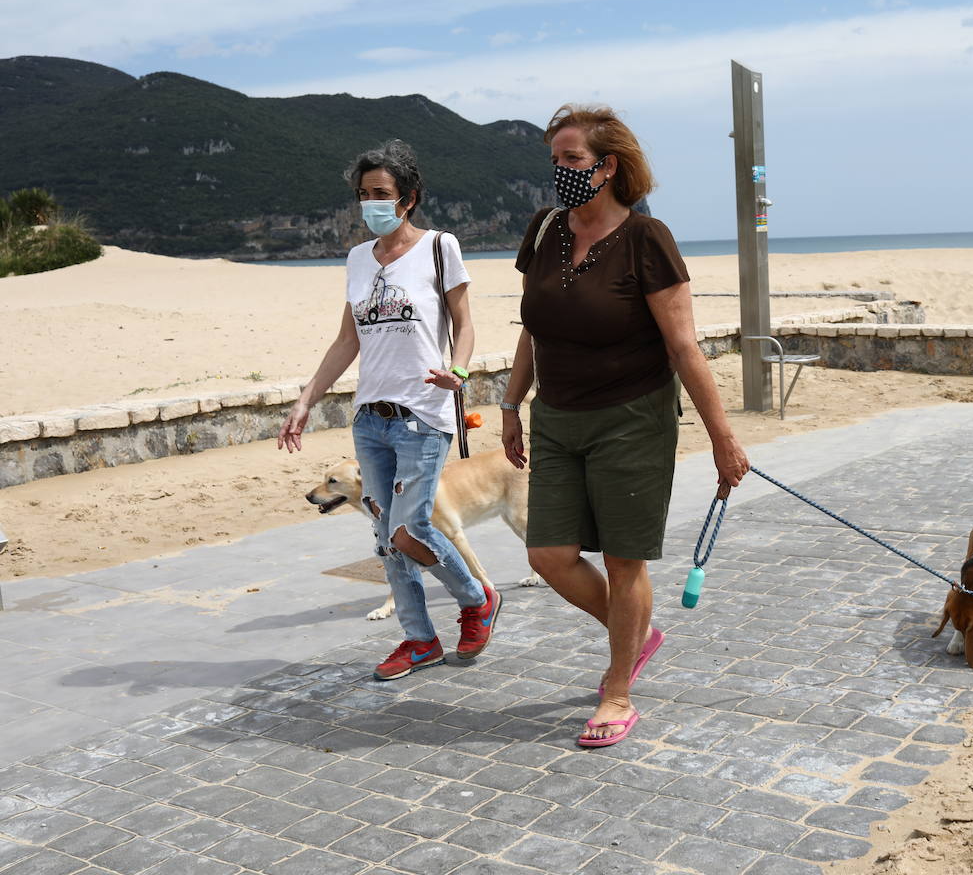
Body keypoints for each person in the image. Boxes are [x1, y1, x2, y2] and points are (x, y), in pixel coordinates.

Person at [500, 105, 749, 747]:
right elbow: (534, 326)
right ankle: (634, 630)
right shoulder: (545, 229)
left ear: (608, 167)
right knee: (548, 553)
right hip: (554, 416)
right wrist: (510, 403)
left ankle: (617, 690)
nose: (561, 171)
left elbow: (685, 348)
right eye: (555, 159)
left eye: (573, 160)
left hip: (632, 419)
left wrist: (724, 438)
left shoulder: (648, 240)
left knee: (622, 560)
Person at [279, 139, 500, 681]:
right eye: (363, 194)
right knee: (385, 538)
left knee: (410, 528)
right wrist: (307, 397)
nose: (370, 203)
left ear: (408, 198)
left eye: (381, 193)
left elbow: (464, 323)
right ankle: (419, 640)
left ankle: (476, 600)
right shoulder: (357, 259)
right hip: (369, 419)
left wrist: (462, 370)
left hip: (422, 412)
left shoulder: (440, 247)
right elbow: (345, 340)